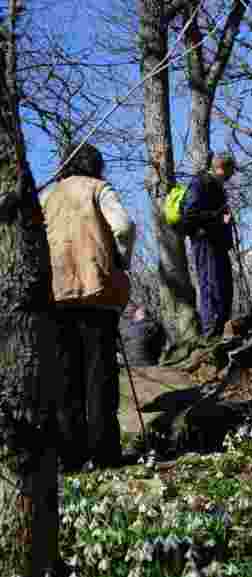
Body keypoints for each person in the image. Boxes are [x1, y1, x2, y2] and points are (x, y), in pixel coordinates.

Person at [40, 142, 135, 470]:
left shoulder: (46, 196)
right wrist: (121, 260)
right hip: (97, 294)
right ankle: (106, 455)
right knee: (100, 376)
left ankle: (71, 457)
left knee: (66, 379)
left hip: (55, 295)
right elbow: (123, 225)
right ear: (96, 164)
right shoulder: (98, 188)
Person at [183, 153, 236, 341]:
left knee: (224, 287)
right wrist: (218, 218)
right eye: (231, 170)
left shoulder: (216, 186)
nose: (232, 175)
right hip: (205, 242)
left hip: (218, 243)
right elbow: (189, 216)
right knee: (210, 285)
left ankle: (223, 328)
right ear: (222, 168)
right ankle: (210, 332)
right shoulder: (200, 183)